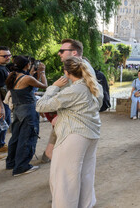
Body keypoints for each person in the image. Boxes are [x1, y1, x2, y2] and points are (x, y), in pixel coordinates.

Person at [36, 57, 103, 208]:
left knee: (65, 178)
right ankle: (86, 204)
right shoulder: (94, 86)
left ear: (66, 72)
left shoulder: (74, 90)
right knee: (86, 173)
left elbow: (41, 106)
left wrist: (53, 87)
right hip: (91, 134)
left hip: (74, 135)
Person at [41, 39, 96, 163]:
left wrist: (59, 116)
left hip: (69, 121)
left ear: (74, 52)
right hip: (70, 120)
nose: (59, 53)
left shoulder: (80, 70)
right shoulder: (82, 67)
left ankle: (62, 178)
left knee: (55, 154)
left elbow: (79, 98)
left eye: (62, 51)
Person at [5, 56, 47, 176]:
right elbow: (44, 85)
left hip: (17, 110)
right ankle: (21, 167)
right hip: (28, 110)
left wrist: (33, 73)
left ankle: (11, 162)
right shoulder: (27, 78)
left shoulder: (12, 76)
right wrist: (42, 72)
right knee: (27, 137)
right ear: (26, 65)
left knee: (16, 137)